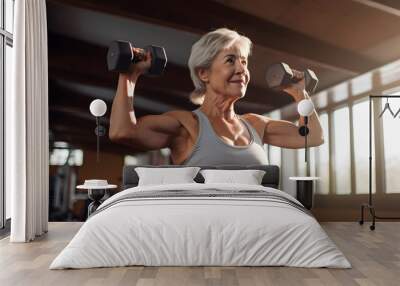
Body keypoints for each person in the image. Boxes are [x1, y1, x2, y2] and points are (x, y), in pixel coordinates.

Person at [109, 28, 324, 165]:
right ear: (204, 73)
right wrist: (129, 76)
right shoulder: (186, 125)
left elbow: (313, 137)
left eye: (244, 62)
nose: (242, 69)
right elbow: (122, 132)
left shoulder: (255, 125)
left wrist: (299, 93)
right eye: (231, 60)